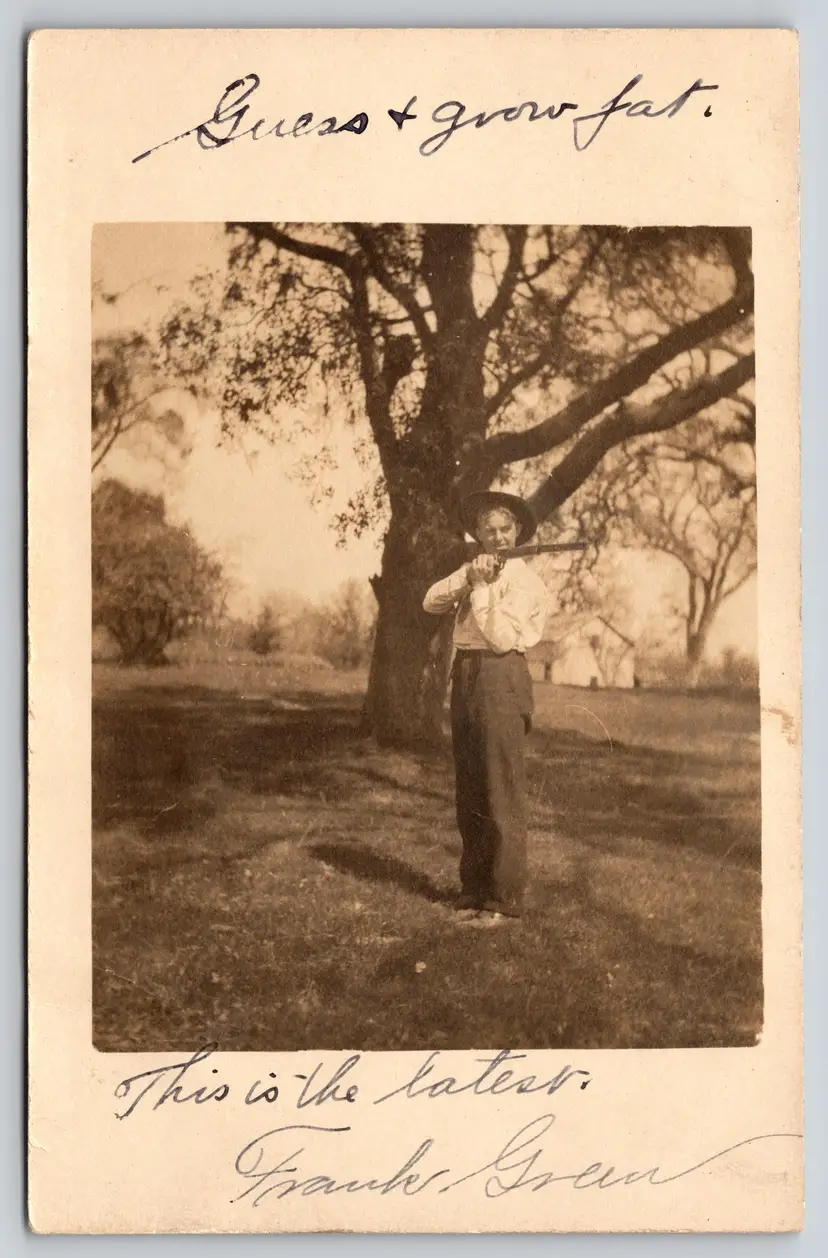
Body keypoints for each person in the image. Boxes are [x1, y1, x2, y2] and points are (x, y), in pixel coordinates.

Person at [423, 491, 549, 928]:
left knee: (500, 788)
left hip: (501, 675)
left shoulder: (525, 582)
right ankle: (474, 891)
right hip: (466, 675)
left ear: (517, 532)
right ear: (477, 533)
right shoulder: (473, 568)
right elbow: (430, 601)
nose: (497, 538)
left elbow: (499, 639)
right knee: (472, 788)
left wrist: (480, 589)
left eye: (504, 530)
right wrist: (468, 578)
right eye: (488, 530)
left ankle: (503, 900)